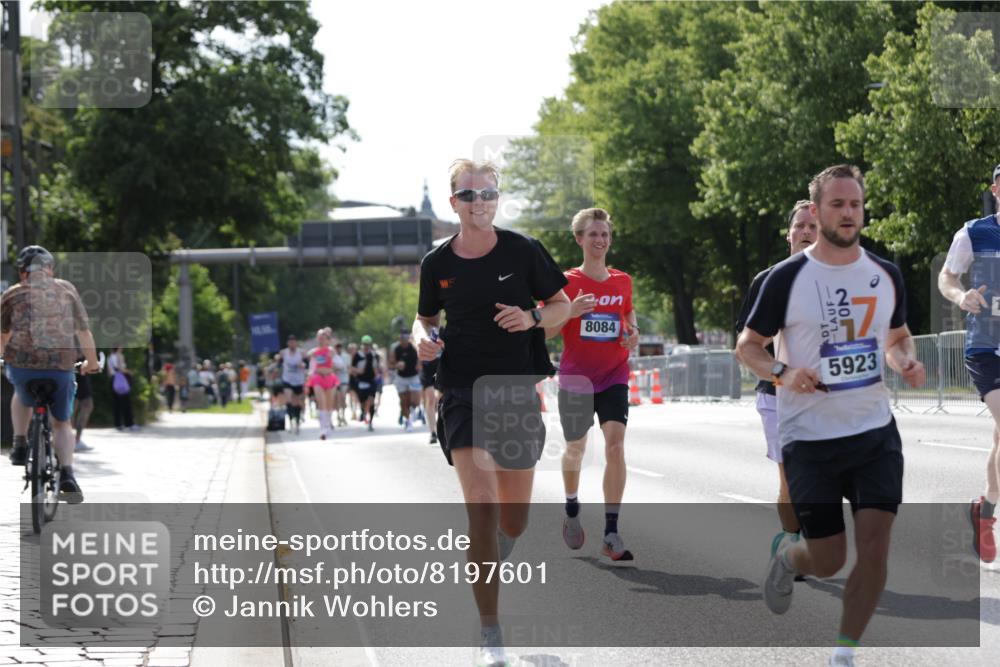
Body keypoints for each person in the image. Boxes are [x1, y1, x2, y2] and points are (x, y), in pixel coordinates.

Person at [736, 165, 925, 667]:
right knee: (828, 557)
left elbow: (896, 334)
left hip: (873, 432)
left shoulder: (884, 273)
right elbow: (746, 347)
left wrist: (903, 358)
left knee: (875, 544)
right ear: (815, 212)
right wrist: (781, 370)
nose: (847, 213)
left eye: (855, 205)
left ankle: (844, 653)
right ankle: (787, 557)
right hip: (810, 438)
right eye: (837, 204)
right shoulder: (784, 279)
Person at [414, 159, 570, 667]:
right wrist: (424, 342)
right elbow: (424, 319)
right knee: (479, 509)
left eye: (488, 194)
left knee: (515, 522)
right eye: (469, 195)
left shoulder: (523, 250)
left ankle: (489, 557)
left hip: (515, 390)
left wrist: (531, 317)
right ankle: (490, 632)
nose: (480, 203)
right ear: (453, 201)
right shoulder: (437, 263)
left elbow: (561, 306)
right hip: (460, 390)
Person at [544, 207, 639, 561]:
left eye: (605, 234)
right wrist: (570, 311)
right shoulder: (565, 283)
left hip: (614, 372)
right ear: (579, 239)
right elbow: (547, 330)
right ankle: (571, 508)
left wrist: (633, 332)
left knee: (615, 448)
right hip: (576, 377)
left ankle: (611, 532)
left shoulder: (622, 281)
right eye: (593, 234)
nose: (600, 240)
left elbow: (626, 313)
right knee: (576, 450)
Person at [735, 200, 818, 562]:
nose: (806, 232)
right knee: (792, 479)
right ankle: (791, 536)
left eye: (813, 227)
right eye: (799, 226)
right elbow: (748, 342)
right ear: (789, 234)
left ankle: (808, 542)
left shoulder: (837, 280)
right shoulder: (767, 281)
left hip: (823, 395)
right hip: (778, 393)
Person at [0, 245, 101, 503]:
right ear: (50, 269)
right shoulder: (66, 289)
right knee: (62, 423)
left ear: (23, 272)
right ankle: (67, 473)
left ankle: (20, 443)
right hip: (61, 366)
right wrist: (91, 362)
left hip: (22, 367)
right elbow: (83, 332)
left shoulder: (12, 294)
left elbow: (2, 334)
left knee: (21, 394)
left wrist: (4, 356)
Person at [938, 162, 1000, 563]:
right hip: (987, 347)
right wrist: (961, 298)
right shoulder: (974, 232)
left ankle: (986, 512)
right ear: (996, 189)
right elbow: (947, 276)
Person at [305, 328, 340, 439]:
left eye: (323, 338)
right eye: (319, 338)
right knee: (321, 403)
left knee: (329, 405)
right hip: (318, 378)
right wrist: (308, 380)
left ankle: (328, 425)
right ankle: (323, 429)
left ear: (327, 340)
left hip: (329, 378)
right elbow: (311, 367)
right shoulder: (314, 352)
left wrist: (333, 363)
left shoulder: (331, 351)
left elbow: (340, 365)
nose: (321, 340)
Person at [390, 330, 421, 431]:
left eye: (406, 338)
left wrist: (419, 365)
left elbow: (420, 360)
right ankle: (408, 421)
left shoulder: (414, 347)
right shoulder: (396, 349)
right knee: (404, 401)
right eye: (402, 338)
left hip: (413, 377)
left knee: (415, 401)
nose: (404, 340)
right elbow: (390, 364)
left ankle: (412, 411)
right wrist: (397, 365)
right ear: (400, 339)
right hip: (401, 378)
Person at [276, 335, 306, 434]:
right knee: (288, 399)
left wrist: (302, 365)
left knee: (296, 402)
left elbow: (307, 364)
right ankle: (290, 421)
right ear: (288, 343)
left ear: (296, 343)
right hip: (287, 379)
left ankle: (297, 422)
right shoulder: (283, 353)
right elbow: (279, 365)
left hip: (299, 380)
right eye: (290, 342)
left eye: (294, 342)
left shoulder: (301, 352)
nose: (292, 344)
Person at [351, 335, 380, 432]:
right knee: (363, 402)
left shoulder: (374, 355)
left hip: (371, 381)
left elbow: (377, 367)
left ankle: (370, 422)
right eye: (364, 344)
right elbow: (351, 368)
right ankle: (363, 412)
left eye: (368, 344)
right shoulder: (357, 355)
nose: (366, 346)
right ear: (362, 345)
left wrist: (377, 373)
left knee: (371, 400)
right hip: (361, 381)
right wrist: (358, 371)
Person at [108, 346, 138, 431]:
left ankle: (118, 424)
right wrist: (129, 372)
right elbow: (121, 369)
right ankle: (129, 424)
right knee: (126, 403)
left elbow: (109, 373)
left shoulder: (109, 357)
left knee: (116, 404)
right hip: (122, 380)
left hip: (114, 380)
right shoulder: (120, 355)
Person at [420, 352, 441, 445]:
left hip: (442, 372)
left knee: (439, 400)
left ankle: (442, 429)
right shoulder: (424, 338)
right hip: (428, 373)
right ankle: (433, 432)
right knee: (431, 400)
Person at [332, 341, 351, 427]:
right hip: (335, 380)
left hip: (344, 380)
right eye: (337, 347)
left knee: (343, 397)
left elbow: (348, 367)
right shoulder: (333, 357)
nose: (338, 349)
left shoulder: (346, 356)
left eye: (340, 347)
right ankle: (338, 416)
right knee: (336, 398)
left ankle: (342, 415)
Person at [346, 342, 361, 420]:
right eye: (350, 349)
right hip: (349, 379)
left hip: (358, 379)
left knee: (357, 397)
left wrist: (352, 369)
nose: (352, 351)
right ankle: (353, 412)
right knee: (351, 396)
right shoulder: (347, 358)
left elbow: (360, 370)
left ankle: (357, 412)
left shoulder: (359, 357)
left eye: (353, 349)